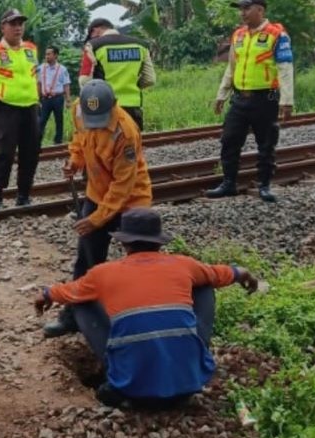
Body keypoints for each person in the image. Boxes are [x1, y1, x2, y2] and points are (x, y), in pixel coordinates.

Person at [34, 207, 259, 408]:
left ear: (123, 242)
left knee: (81, 300)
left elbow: (65, 292)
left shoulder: (103, 273)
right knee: (204, 285)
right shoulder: (183, 265)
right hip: (189, 386)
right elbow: (224, 273)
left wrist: (45, 295)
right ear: (159, 242)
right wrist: (243, 273)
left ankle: (117, 381)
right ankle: (189, 359)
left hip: (131, 389)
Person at [43, 79, 152, 338]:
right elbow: (80, 141)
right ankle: (74, 317)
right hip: (97, 193)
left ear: (115, 105)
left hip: (130, 202)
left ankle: (140, 321)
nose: (97, 125)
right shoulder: (80, 109)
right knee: (87, 260)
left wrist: (97, 218)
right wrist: (74, 162)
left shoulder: (126, 132)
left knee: (139, 263)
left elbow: (122, 187)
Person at [205, 0, 294, 203]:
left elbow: (285, 68)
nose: (242, 13)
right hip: (240, 99)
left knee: (266, 144)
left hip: (266, 99)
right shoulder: (238, 35)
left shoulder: (277, 34)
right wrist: (221, 95)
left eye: (246, 8)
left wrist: (287, 101)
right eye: (240, 9)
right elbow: (231, 68)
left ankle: (264, 185)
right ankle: (229, 183)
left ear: (260, 10)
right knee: (229, 140)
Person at [0, 8, 41, 210]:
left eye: (20, 24)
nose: (18, 27)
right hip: (7, 109)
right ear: (3, 27)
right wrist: (0, 97)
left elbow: (35, 76)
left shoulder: (31, 49)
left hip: (30, 108)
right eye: (13, 24)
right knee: (3, 153)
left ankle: (24, 195)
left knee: (30, 153)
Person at [78, 18, 156, 130]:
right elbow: (150, 79)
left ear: (95, 30)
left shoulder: (92, 46)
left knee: (107, 145)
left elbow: (84, 81)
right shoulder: (141, 45)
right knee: (131, 144)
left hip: (104, 109)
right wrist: (133, 86)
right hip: (133, 107)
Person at [37, 45, 72, 145]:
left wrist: (68, 100)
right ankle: (37, 141)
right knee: (42, 120)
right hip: (45, 98)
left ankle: (58, 141)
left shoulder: (62, 69)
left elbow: (66, 84)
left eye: (49, 54)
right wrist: (37, 97)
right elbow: (38, 83)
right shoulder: (41, 68)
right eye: (46, 54)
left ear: (55, 55)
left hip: (57, 98)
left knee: (59, 120)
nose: (47, 56)